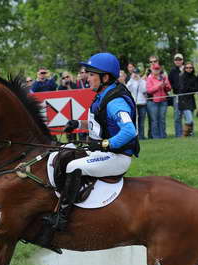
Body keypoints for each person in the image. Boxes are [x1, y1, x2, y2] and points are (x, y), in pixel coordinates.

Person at [38, 52, 140, 253]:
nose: (86, 77)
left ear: (105, 77)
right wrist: (78, 124)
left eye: (91, 74)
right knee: (63, 151)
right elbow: (99, 124)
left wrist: (104, 144)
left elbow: (129, 131)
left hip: (116, 157)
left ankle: (62, 218)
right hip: (105, 152)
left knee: (74, 166)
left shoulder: (114, 101)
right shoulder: (104, 95)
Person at [146, 62, 171, 139]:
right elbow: (149, 90)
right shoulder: (149, 78)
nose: (156, 71)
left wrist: (166, 85)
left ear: (160, 69)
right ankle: (156, 136)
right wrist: (158, 85)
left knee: (162, 119)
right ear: (152, 70)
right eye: (154, 69)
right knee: (154, 120)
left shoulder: (163, 77)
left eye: (157, 69)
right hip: (153, 102)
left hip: (163, 101)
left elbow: (169, 88)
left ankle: (163, 135)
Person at [178, 61, 198, 137]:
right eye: (187, 68)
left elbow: (196, 88)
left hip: (191, 100)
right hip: (184, 100)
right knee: (189, 120)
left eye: (190, 67)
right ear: (184, 68)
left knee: (190, 119)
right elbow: (183, 88)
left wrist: (190, 89)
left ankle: (191, 134)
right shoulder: (182, 76)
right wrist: (191, 89)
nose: (189, 69)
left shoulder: (194, 77)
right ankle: (185, 135)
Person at [126, 67, 147, 139]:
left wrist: (140, 81)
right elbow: (127, 89)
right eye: (134, 73)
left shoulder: (143, 82)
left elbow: (144, 90)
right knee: (134, 121)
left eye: (137, 73)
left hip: (142, 103)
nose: (135, 75)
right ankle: (135, 136)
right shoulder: (130, 82)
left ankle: (141, 136)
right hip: (134, 103)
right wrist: (131, 80)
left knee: (141, 121)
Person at [169, 53, 185, 137]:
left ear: (182, 60)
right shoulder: (172, 71)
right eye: (176, 60)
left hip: (186, 96)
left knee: (187, 115)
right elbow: (170, 83)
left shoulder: (187, 69)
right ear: (174, 61)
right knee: (177, 117)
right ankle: (178, 134)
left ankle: (188, 133)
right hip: (177, 96)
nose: (178, 61)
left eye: (180, 60)